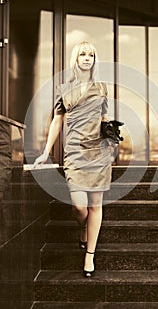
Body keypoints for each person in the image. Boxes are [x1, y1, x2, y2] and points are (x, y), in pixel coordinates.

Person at [33, 41, 112, 278]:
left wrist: (111, 133)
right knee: (80, 207)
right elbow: (57, 121)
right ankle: (82, 228)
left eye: (91, 55)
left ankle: (89, 255)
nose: (87, 58)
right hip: (75, 154)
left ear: (94, 60)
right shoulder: (63, 90)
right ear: (75, 59)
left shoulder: (101, 87)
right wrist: (46, 152)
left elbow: (104, 117)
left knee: (95, 205)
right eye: (83, 54)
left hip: (99, 152)